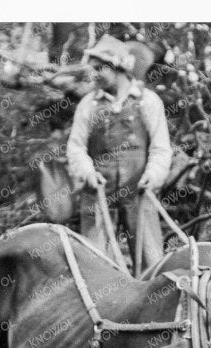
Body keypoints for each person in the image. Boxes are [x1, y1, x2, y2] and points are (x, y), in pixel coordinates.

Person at [64, 34, 171, 275]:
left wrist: (153, 176)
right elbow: (76, 147)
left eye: (100, 68)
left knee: (152, 263)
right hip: (98, 195)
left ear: (119, 67)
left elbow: (160, 148)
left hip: (139, 195)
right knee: (95, 266)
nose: (94, 74)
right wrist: (87, 173)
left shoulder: (148, 102)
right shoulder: (89, 105)